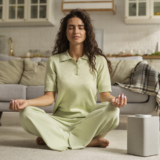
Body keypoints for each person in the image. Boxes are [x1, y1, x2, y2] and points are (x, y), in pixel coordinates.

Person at [9, 9, 127, 152]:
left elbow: (104, 96)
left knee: (113, 111)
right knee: (26, 113)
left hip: (88, 121)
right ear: (65, 33)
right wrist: (27, 102)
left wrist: (114, 101)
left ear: (86, 32)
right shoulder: (54, 61)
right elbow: (49, 97)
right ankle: (86, 140)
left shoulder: (99, 61)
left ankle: (54, 138)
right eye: (71, 27)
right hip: (60, 121)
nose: (75, 31)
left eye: (80, 27)